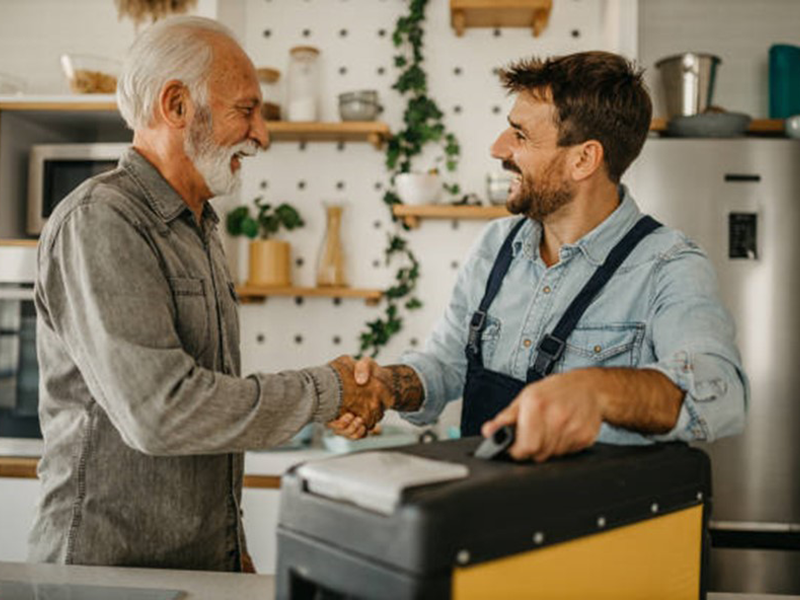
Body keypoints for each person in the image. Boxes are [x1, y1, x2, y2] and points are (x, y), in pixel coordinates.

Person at [29, 16, 385, 571]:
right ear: (176, 105)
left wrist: (230, 548)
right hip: (109, 576)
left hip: (200, 567)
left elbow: (208, 415)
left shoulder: (200, 227)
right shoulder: (101, 221)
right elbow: (162, 412)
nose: (262, 134)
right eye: (246, 110)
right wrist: (328, 391)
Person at [331, 51, 748, 462]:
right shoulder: (495, 244)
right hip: (489, 500)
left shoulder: (669, 265)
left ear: (583, 159)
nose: (497, 149)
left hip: (600, 508)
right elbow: (446, 363)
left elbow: (719, 393)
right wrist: (387, 385)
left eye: (520, 135)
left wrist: (596, 391)